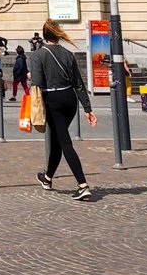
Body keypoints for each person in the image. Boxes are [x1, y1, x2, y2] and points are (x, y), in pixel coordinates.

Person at [29, 19, 98, 201]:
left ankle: (83, 185)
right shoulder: (68, 54)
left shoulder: (38, 55)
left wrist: (30, 75)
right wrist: (87, 108)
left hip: (53, 100)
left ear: (44, 37)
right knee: (57, 139)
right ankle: (47, 177)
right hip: (70, 99)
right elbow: (78, 83)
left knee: (64, 142)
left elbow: (37, 82)